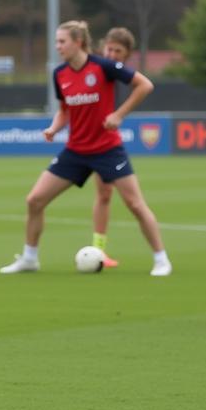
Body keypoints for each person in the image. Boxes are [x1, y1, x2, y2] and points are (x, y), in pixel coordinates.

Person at [0, 20, 172, 277]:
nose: (57, 46)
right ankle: (29, 258)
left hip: (107, 149)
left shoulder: (103, 66)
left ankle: (161, 260)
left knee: (135, 204)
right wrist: (54, 128)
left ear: (78, 42)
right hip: (76, 151)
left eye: (62, 41)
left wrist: (119, 115)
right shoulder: (60, 74)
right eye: (57, 41)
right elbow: (65, 110)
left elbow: (145, 85)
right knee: (35, 200)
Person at [90, 26, 138, 268]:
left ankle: (99, 251)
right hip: (91, 141)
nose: (112, 54)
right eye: (109, 49)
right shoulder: (98, 66)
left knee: (107, 194)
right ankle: (98, 250)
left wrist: (118, 115)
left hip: (105, 140)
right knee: (107, 194)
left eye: (118, 51)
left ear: (127, 54)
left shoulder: (115, 71)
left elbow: (140, 84)